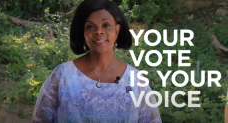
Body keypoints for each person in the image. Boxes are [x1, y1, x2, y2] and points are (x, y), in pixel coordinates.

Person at [32, 0, 162, 122]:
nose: (99, 31)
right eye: (90, 26)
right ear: (82, 32)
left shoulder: (136, 82)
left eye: (106, 25)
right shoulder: (62, 77)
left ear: (117, 30)